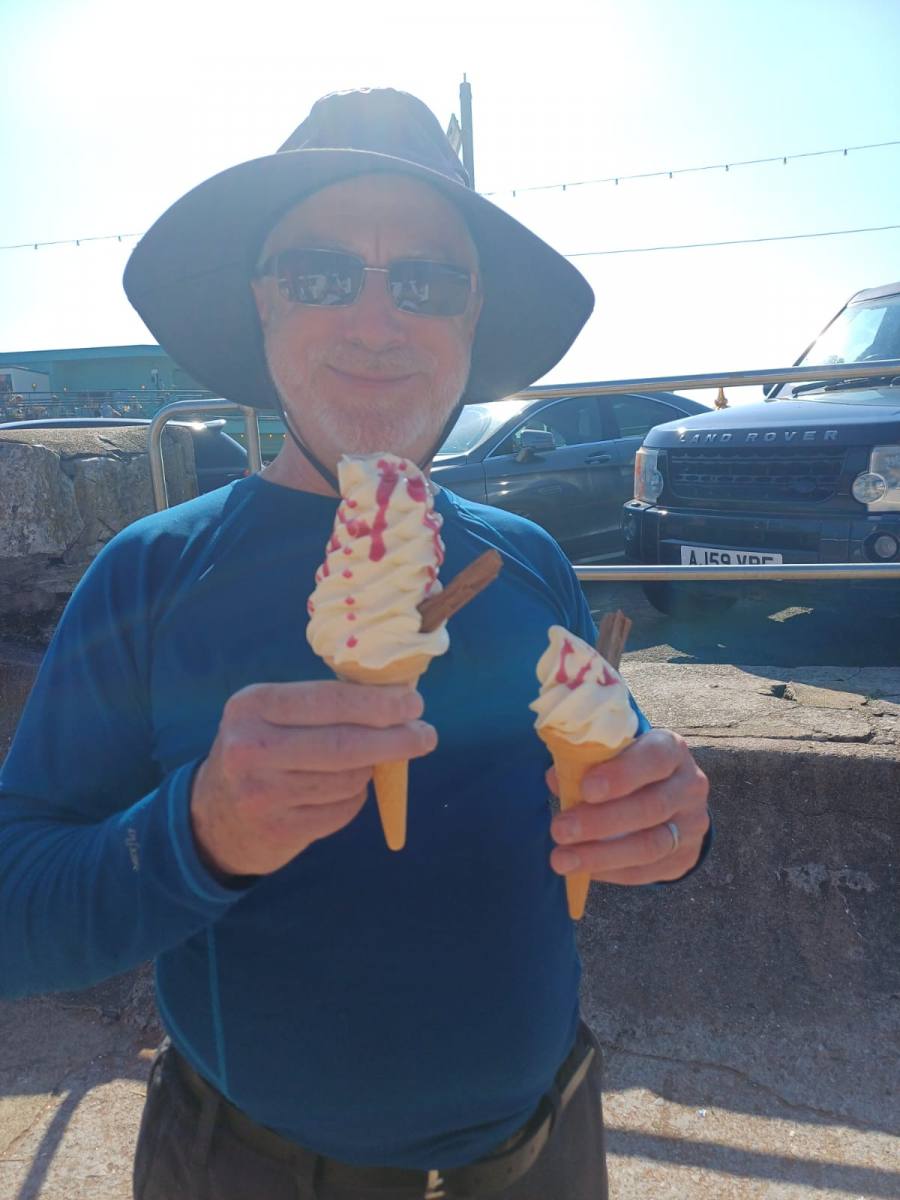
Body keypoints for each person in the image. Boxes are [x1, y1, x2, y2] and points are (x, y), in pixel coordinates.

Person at [0, 88, 710, 1199]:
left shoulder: (528, 561)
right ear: (262, 306)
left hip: (547, 1143)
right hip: (252, 1166)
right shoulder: (152, 575)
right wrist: (194, 831)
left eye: (427, 282)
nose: (376, 322)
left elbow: (617, 771)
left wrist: (669, 821)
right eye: (320, 274)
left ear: (472, 322)